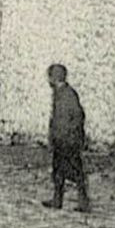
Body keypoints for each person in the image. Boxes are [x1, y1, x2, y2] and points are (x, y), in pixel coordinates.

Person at [45, 63, 90, 212]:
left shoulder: (68, 94)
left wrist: (71, 136)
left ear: (55, 78)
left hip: (68, 141)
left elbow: (77, 117)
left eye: (50, 77)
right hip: (61, 140)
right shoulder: (60, 94)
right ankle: (57, 200)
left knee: (76, 172)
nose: (48, 81)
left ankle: (83, 203)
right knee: (58, 171)